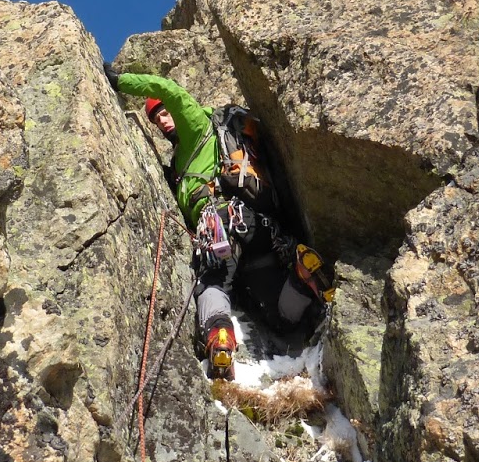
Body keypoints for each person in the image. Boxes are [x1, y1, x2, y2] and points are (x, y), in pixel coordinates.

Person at [108, 68, 333, 380]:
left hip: (220, 225)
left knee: (213, 283)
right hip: (256, 230)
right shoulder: (182, 158)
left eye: (165, 112)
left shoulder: (197, 127)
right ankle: (302, 274)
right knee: (280, 318)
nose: (163, 121)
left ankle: (220, 338)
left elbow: (170, 89)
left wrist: (120, 81)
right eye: (156, 119)